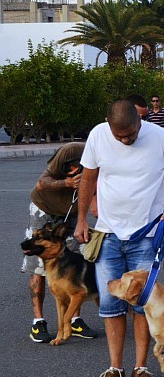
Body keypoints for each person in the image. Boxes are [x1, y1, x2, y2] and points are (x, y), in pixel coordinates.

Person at [75, 100, 164, 377]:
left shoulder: (160, 137)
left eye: (132, 133)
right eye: (121, 136)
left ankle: (141, 368)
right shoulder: (97, 135)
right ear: (108, 124)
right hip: (108, 234)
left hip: (147, 233)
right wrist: (81, 218)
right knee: (110, 303)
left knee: (143, 303)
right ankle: (115, 368)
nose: (128, 139)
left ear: (139, 122)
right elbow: (88, 178)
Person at [21, 142, 97, 343]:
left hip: (71, 212)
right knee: (37, 265)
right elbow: (42, 182)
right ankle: (38, 321)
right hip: (44, 207)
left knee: (76, 260)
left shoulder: (104, 155)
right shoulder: (71, 151)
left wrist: (87, 217)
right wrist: (67, 183)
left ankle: (75, 319)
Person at [126, 93, 164, 200]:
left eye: (143, 117)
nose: (155, 103)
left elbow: (163, 165)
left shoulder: (163, 115)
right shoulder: (102, 133)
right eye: (153, 101)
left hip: (148, 199)